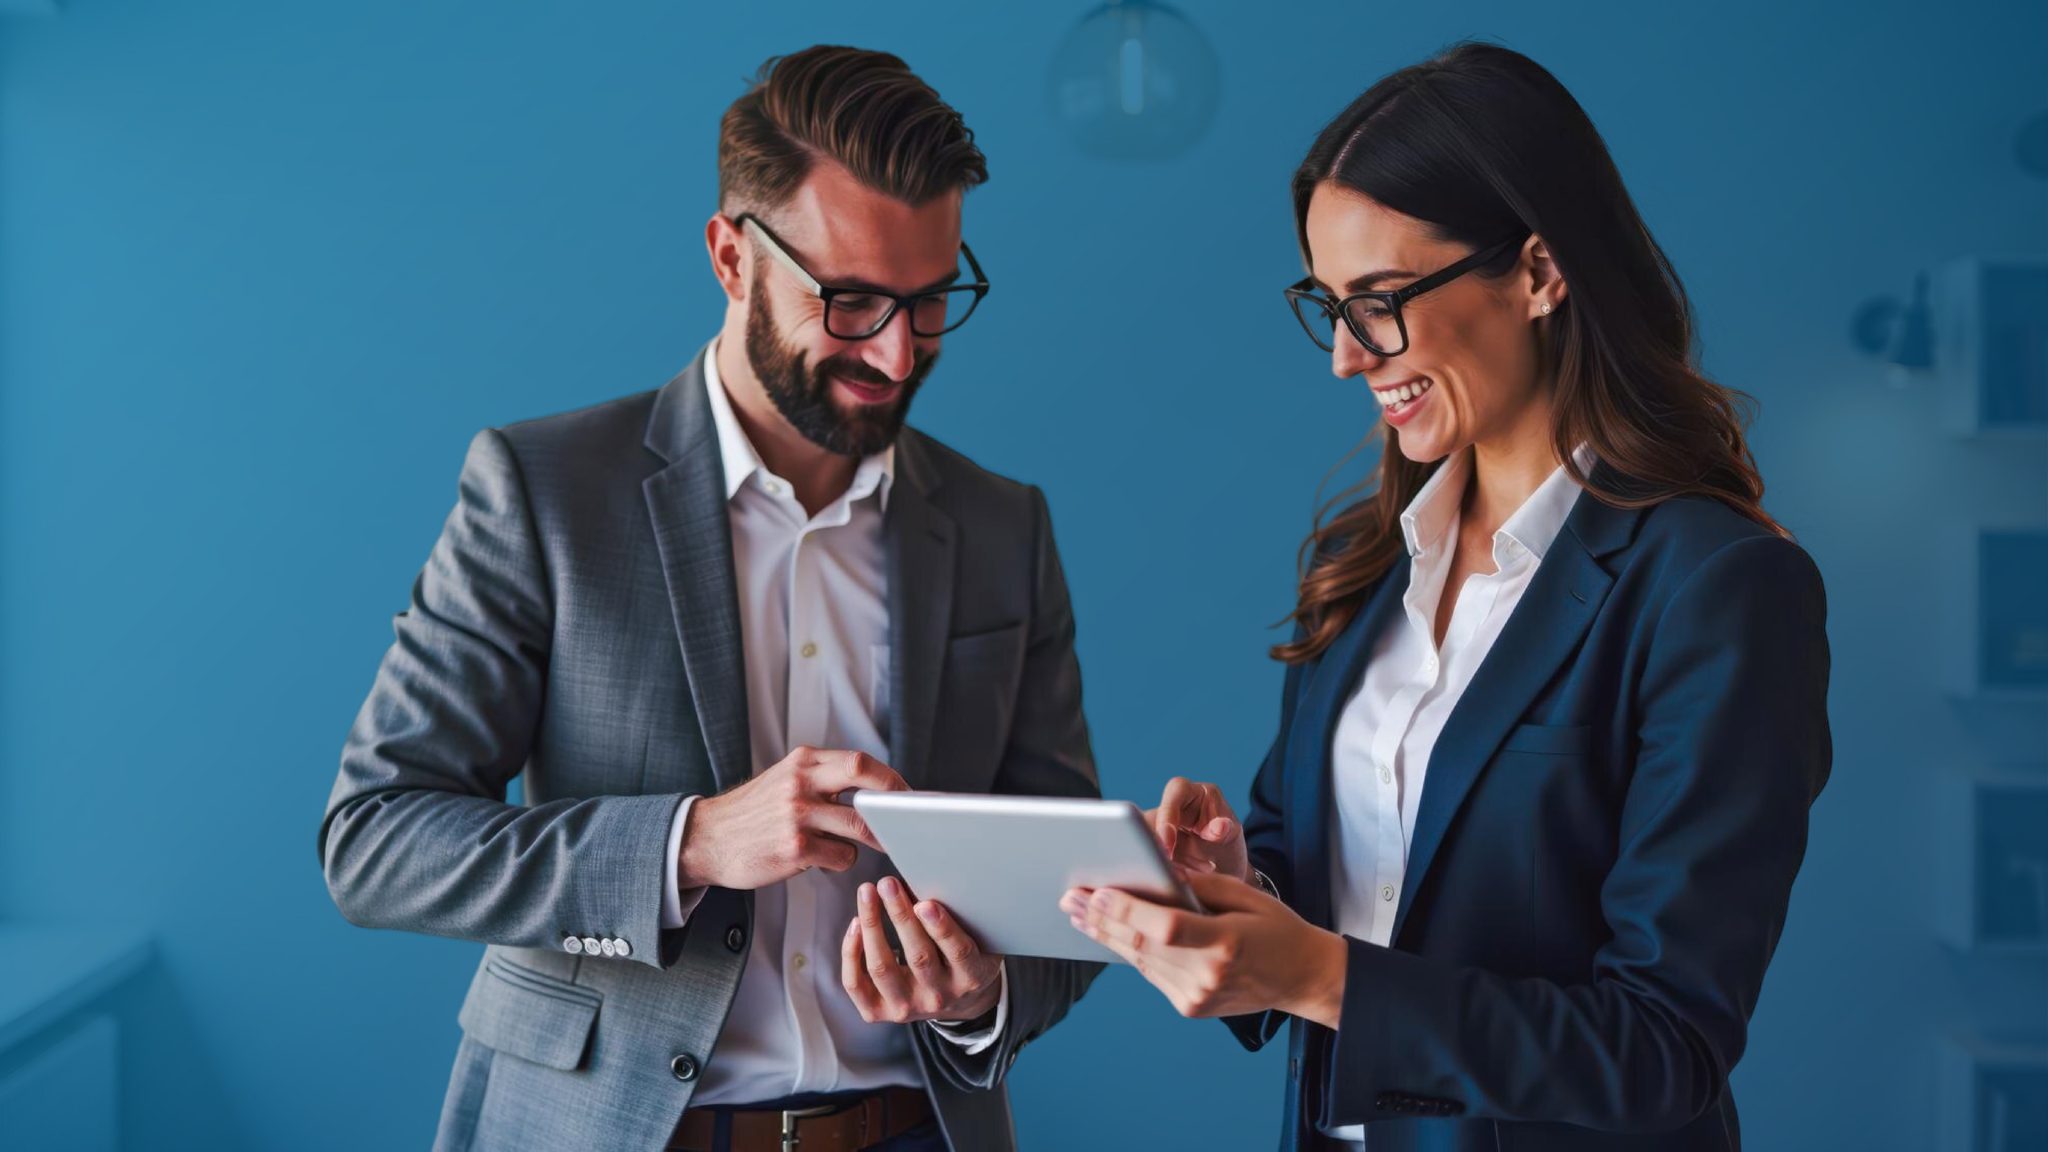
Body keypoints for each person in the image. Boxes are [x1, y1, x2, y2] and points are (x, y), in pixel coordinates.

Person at [322, 45, 1100, 1152]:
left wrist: (981, 994)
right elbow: (376, 840)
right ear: (731, 257)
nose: (894, 352)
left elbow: (1065, 896)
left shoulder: (1001, 527)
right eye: (848, 300)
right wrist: (689, 844)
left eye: (931, 303)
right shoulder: (543, 492)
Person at [1063, 42, 1831, 1151]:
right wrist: (1234, 889)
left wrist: (1322, 975)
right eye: (1324, 306)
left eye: (1376, 302)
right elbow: (1351, 884)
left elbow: (1664, 1049)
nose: (1342, 356)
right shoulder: (1368, 559)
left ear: (1536, 272)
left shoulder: (1717, 589)